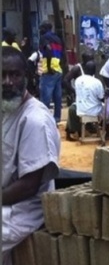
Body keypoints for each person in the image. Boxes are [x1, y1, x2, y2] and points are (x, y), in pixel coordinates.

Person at [2, 47, 61, 264]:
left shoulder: (35, 120)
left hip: (23, 210)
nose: (7, 81)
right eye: (2, 75)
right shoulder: (6, 109)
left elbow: (29, 185)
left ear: (26, 77)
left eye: (15, 75)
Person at [38, 22, 65, 123]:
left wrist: (49, 67)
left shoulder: (44, 37)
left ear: (45, 28)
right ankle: (57, 118)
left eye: (41, 29)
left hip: (49, 70)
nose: (40, 31)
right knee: (57, 96)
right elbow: (62, 54)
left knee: (46, 96)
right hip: (58, 69)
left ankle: (44, 119)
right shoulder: (57, 38)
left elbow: (48, 51)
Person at [74, 61, 106, 145]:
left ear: (84, 69)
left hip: (80, 110)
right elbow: (101, 98)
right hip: (93, 112)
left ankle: (93, 129)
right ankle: (107, 133)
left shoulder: (78, 80)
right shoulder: (97, 82)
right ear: (94, 71)